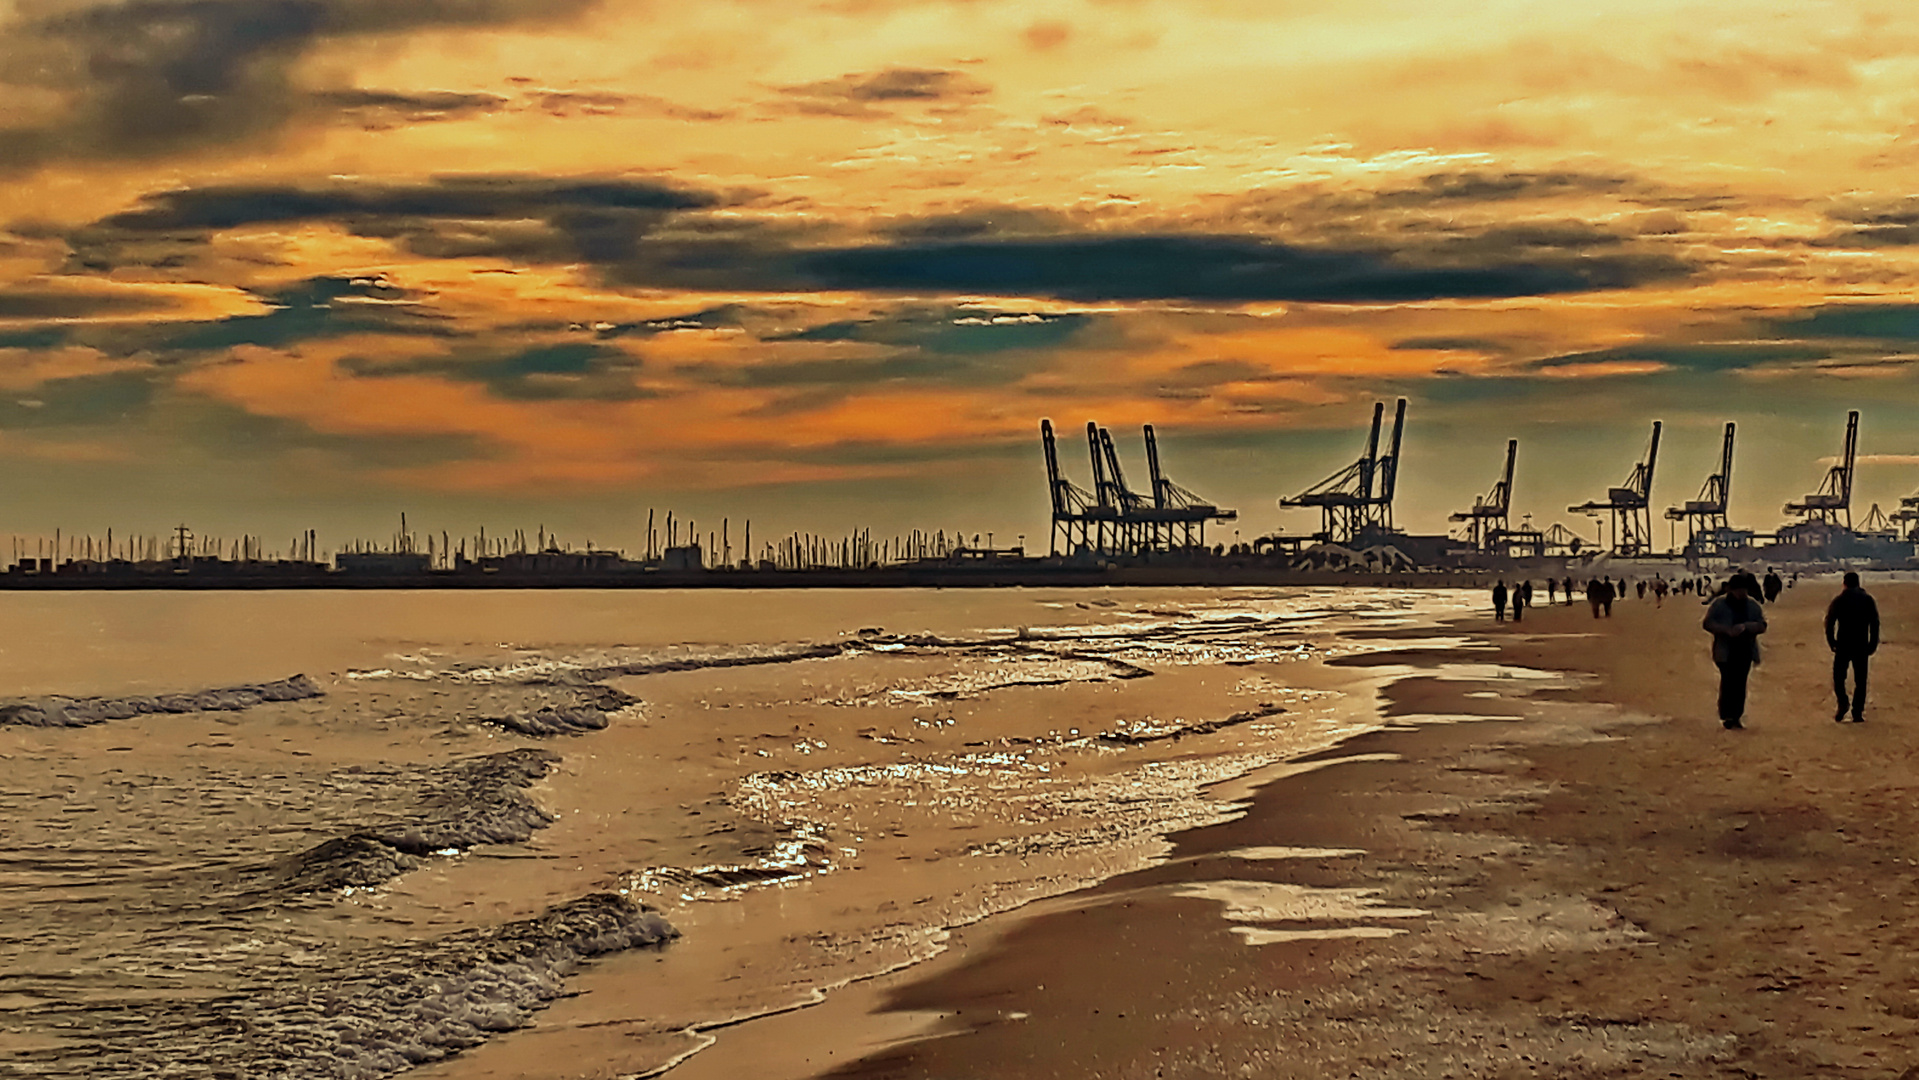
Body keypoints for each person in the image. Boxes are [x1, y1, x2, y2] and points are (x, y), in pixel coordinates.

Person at [1703, 574, 1767, 729]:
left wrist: (1746, 627)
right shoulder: (1719, 605)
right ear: (1730, 590)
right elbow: (1707, 623)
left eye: (1744, 590)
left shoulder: (1752, 606)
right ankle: (1727, 715)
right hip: (1725, 651)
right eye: (1738, 590)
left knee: (1740, 684)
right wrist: (1726, 630)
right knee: (1728, 681)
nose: (1741, 593)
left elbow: (1762, 625)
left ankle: (1736, 716)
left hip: (1745, 650)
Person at [1826, 571, 1880, 723]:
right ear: (1858, 583)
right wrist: (1873, 643)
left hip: (1843, 644)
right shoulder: (1868, 600)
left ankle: (1843, 703)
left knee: (1838, 678)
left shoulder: (1839, 600)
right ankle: (1857, 711)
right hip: (1861, 644)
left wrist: (1832, 642)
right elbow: (1874, 623)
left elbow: (1829, 622)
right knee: (1861, 680)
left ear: (1844, 583)